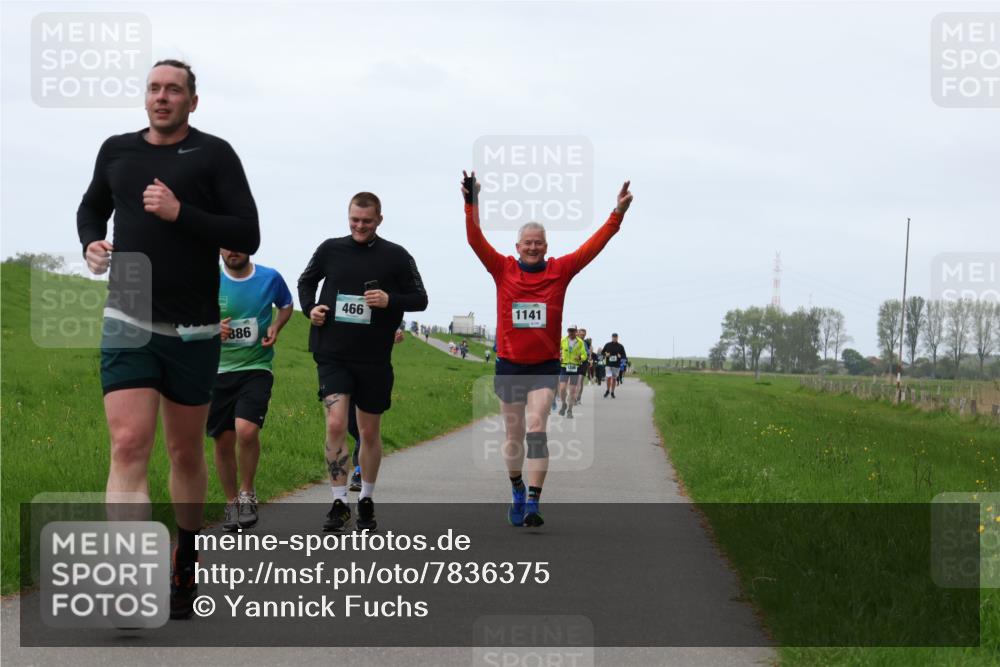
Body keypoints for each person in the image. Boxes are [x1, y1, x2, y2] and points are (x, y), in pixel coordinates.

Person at [77, 60, 260, 619]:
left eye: (173, 90)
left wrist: (182, 213)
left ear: (192, 102)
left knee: (184, 452)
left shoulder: (214, 154)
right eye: (154, 88)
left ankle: (186, 554)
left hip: (193, 329)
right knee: (128, 445)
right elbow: (92, 208)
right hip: (128, 316)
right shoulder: (117, 151)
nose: (162, 97)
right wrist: (91, 244)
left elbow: (246, 231)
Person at [463, 170, 632, 527]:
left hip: (543, 366)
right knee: (513, 437)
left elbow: (592, 247)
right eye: (527, 242)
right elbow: (475, 240)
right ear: (517, 247)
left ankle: (533, 503)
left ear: (546, 246)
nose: (533, 247)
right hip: (510, 365)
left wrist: (616, 214)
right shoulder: (502, 269)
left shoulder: (560, 270)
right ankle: (517, 488)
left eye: (538, 242)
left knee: (537, 427)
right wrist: (471, 202)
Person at [298, 192, 427, 533]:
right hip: (332, 353)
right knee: (335, 424)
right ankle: (339, 501)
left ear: (379, 220)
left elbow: (420, 299)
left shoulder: (397, 256)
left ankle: (366, 498)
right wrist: (310, 308)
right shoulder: (330, 249)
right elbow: (306, 281)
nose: (359, 226)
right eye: (354, 220)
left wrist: (389, 299)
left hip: (373, 357)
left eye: (366, 221)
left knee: (369, 432)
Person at [210, 250, 293, 532]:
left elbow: (286, 305)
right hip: (215, 371)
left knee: (246, 431)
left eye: (238, 243)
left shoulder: (269, 278)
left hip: (256, 367)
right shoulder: (208, 278)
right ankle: (231, 502)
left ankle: (247, 493)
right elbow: (185, 318)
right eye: (226, 245)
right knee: (223, 441)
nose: (232, 250)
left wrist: (276, 325)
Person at [557, 325, 588, 418]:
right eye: (570, 331)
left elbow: (585, 355)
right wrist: (559, 357)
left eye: (573, 331)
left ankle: (570, 410)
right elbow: (557, 350)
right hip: (564, 366)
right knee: (562, 388)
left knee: (572, 390)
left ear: (576, 331)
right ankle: (564, 404)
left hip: (575, 367)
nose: (571, 333)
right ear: (567, 331)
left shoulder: (580, 342)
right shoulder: (563, 340)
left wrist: (580, 358)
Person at [602, 334, 628, 398]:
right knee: (608, 377)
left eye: (615, 337)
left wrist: (620, 356)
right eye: (613, 337)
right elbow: (602, 352)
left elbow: (624, 356)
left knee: (614, 379)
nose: (614, 338)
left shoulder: (620, 346)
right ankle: (608, 390)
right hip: (608, 364)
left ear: (617, 338)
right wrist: (606, 354)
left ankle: (612, 392)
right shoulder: (607, 345)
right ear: (612, 337)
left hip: (616, 365)